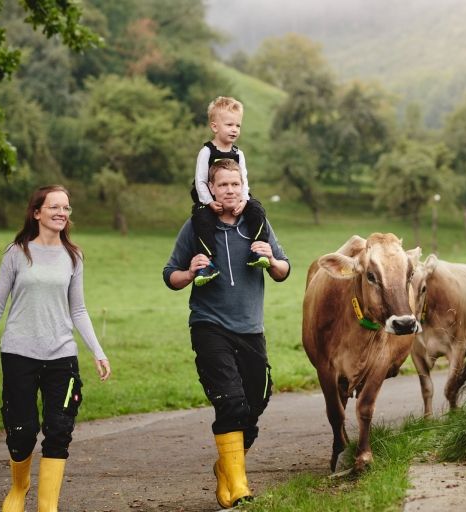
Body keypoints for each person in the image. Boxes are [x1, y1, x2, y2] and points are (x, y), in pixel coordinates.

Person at [0, 185, 111, 512]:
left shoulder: (73, 256)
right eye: (54, 207)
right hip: (18, 354)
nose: (62, 213)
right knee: (22, 431)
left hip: (62, 356)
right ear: (36, 213)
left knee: (59, 430)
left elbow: (78, 309)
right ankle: (19, 487)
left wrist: (98, 351)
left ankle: (48, 507)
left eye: (66, 208)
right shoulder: (16, 252)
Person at [163, 158, 290, 508]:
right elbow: (170, 274)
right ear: (211, 189)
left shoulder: (256, 223)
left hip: (251, 328)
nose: (230, 190)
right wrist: (190, 271)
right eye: (223, 185)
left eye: (235, 184)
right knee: (230, 402)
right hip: (209, 326)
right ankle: (238, 486)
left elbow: (283, 270)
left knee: (256, 399)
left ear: (243, 186)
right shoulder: (196, 226)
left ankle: (225, 467)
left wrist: (271, 258)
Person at [191, 96, 271, 286]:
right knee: (202, 219)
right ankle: (207, 263)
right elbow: (200, 181)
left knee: (257, 209)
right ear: (215, 127)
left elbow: (244, 180)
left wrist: (244, 200)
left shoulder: (238, 153)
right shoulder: (207, 152)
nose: (234, 129)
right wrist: (209, 202)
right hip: (208, 199)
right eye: (229, 125)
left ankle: (258, 249)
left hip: (237, 197)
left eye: (238, 125)